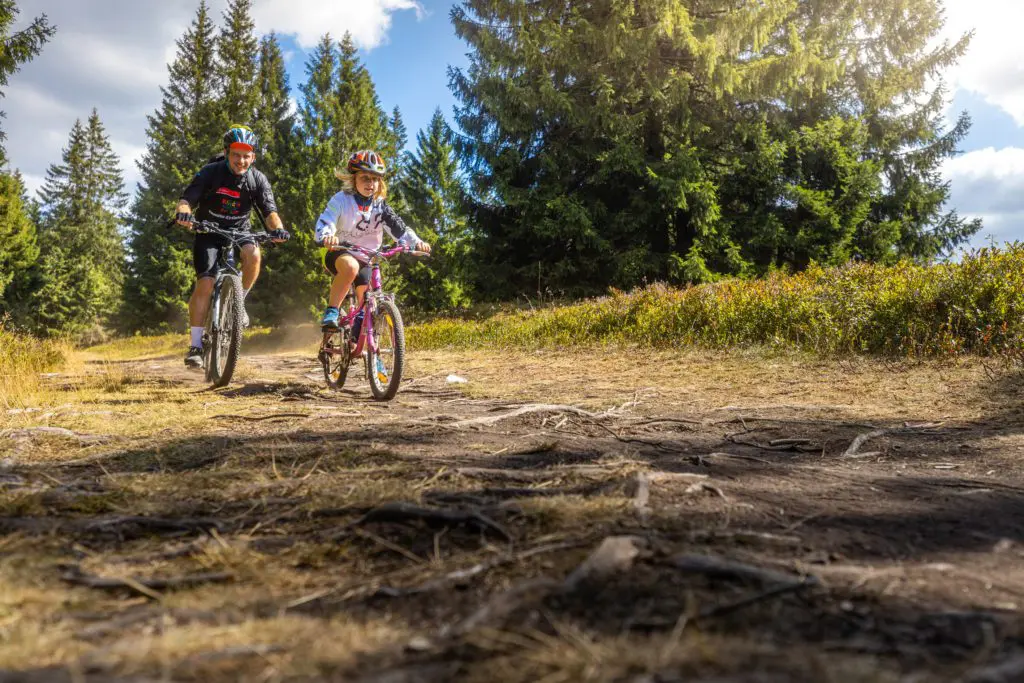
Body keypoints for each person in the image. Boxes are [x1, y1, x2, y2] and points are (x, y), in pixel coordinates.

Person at [174, 124, 288, 369]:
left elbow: (270, 212)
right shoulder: (210, 172)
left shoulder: (257, 179)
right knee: (206, 283)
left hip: (240, 231)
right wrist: (184, 212)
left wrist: (278, 229)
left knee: (253, 254)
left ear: (253, 157)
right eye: (236, 154)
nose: (241, 160)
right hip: (208, 231)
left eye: (247, 156)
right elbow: (187, 200)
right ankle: (196, 345)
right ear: (226, 153)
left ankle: (239, 302)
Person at [314, 150, 431, 337]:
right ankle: (332, 311)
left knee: (367, 300)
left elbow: (400, 229)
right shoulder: (341, 199)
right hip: (338, 251)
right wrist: (327, 236)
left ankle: (364, 342)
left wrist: (417, 243)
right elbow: (327, 220)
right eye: (365, 178)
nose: (371, 183)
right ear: (353, 179)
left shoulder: (380, 205)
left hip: (366, 257)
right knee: (351, 267)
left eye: (375, 179)